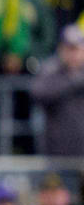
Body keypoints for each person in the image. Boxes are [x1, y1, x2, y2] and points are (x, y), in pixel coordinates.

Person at [30, 25, 84, 156]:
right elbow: (37, 93)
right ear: (61, 49)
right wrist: (73, 82)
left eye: (76, 49)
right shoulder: (51, 69)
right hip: (57, 151)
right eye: (69, 49)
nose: (73, 55)